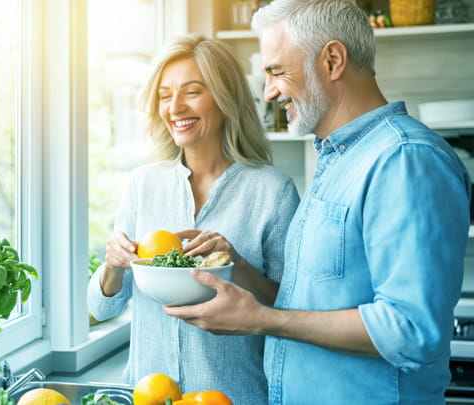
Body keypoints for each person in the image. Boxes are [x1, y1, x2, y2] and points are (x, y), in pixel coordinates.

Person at [164, 1, 472, 404]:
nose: (270, 91)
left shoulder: (404, 159)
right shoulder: (336, 161)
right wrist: (240, 269)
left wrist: (262, 321)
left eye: (276, 71)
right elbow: (306, 306)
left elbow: (411, 330)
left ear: (332, 60)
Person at [87, 34, 300, 404]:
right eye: (165, 95)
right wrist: (113, 265)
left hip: (234, 395)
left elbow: (290, 307)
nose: (175, 107)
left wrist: (236, 264)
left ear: (225, 97)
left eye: (191, 91)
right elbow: (103, 307)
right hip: (147, 394)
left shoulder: (272, 190)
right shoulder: (144, 184)